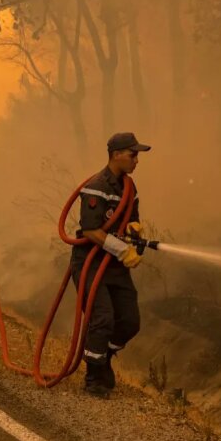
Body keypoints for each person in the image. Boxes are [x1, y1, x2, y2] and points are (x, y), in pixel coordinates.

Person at [71, 132, 151, 397]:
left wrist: (133, 229)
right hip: (90, 262)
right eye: (132, 155)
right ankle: (93, 378)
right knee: (103, 318)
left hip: (114, 265)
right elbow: (91, 230)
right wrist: (122, 250)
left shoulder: (129, 187)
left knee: (129, 321)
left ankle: (103, 356)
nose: (136, 160)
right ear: (116, 155)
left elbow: (130, 218)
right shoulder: (96, 187)